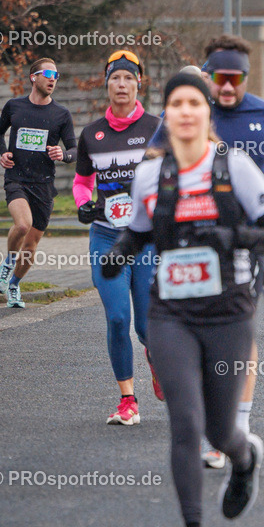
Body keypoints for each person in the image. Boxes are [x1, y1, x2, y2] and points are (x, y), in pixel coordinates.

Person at [103, 72, 264, 527]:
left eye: (195, 103)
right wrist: (119, 253)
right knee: (185, 424)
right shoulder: (151, 174)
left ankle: (243, 457)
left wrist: (233, 239)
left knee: (221, 430)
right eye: (177, 104)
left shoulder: (236, 168)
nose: (186, 112)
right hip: (171, 314)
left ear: (207, 114)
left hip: (228, 311)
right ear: (168, 115)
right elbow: (138, 233)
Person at [149, 34, 264, 469]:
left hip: (246, 240)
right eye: (218, 77)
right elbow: (152, 160)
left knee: (238, 330)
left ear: (246, 77)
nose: (226, 86)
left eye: (235, 78)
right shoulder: (187, 113)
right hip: (187, 242)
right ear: (208, 76)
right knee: (189, 327)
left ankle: (234, 426)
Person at [74, 50, 162, 425]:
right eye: (115, 79)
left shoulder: (157, 128)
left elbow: (171, 176)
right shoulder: (92, 133)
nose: (121, 85)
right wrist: (84, 205)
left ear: (139, 83)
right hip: (106, 237)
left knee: (145, 326)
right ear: (106, 84)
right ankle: (128, 400)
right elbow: (81, 182)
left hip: (145, 240)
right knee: (116, 318)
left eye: (128, 78)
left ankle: (157, 357)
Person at [0, 57, 76, 308]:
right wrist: (3, 152)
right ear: (33, 77)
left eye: (56, 75)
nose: (53, 79)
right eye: (48, 73)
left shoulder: (61, 114)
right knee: (22, 224)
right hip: (17, 178)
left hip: (44, 185)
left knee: (30, 245)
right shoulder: (14, 106)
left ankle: (14, 285)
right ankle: (7, 265)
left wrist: (64, 155)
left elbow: (73, 148)